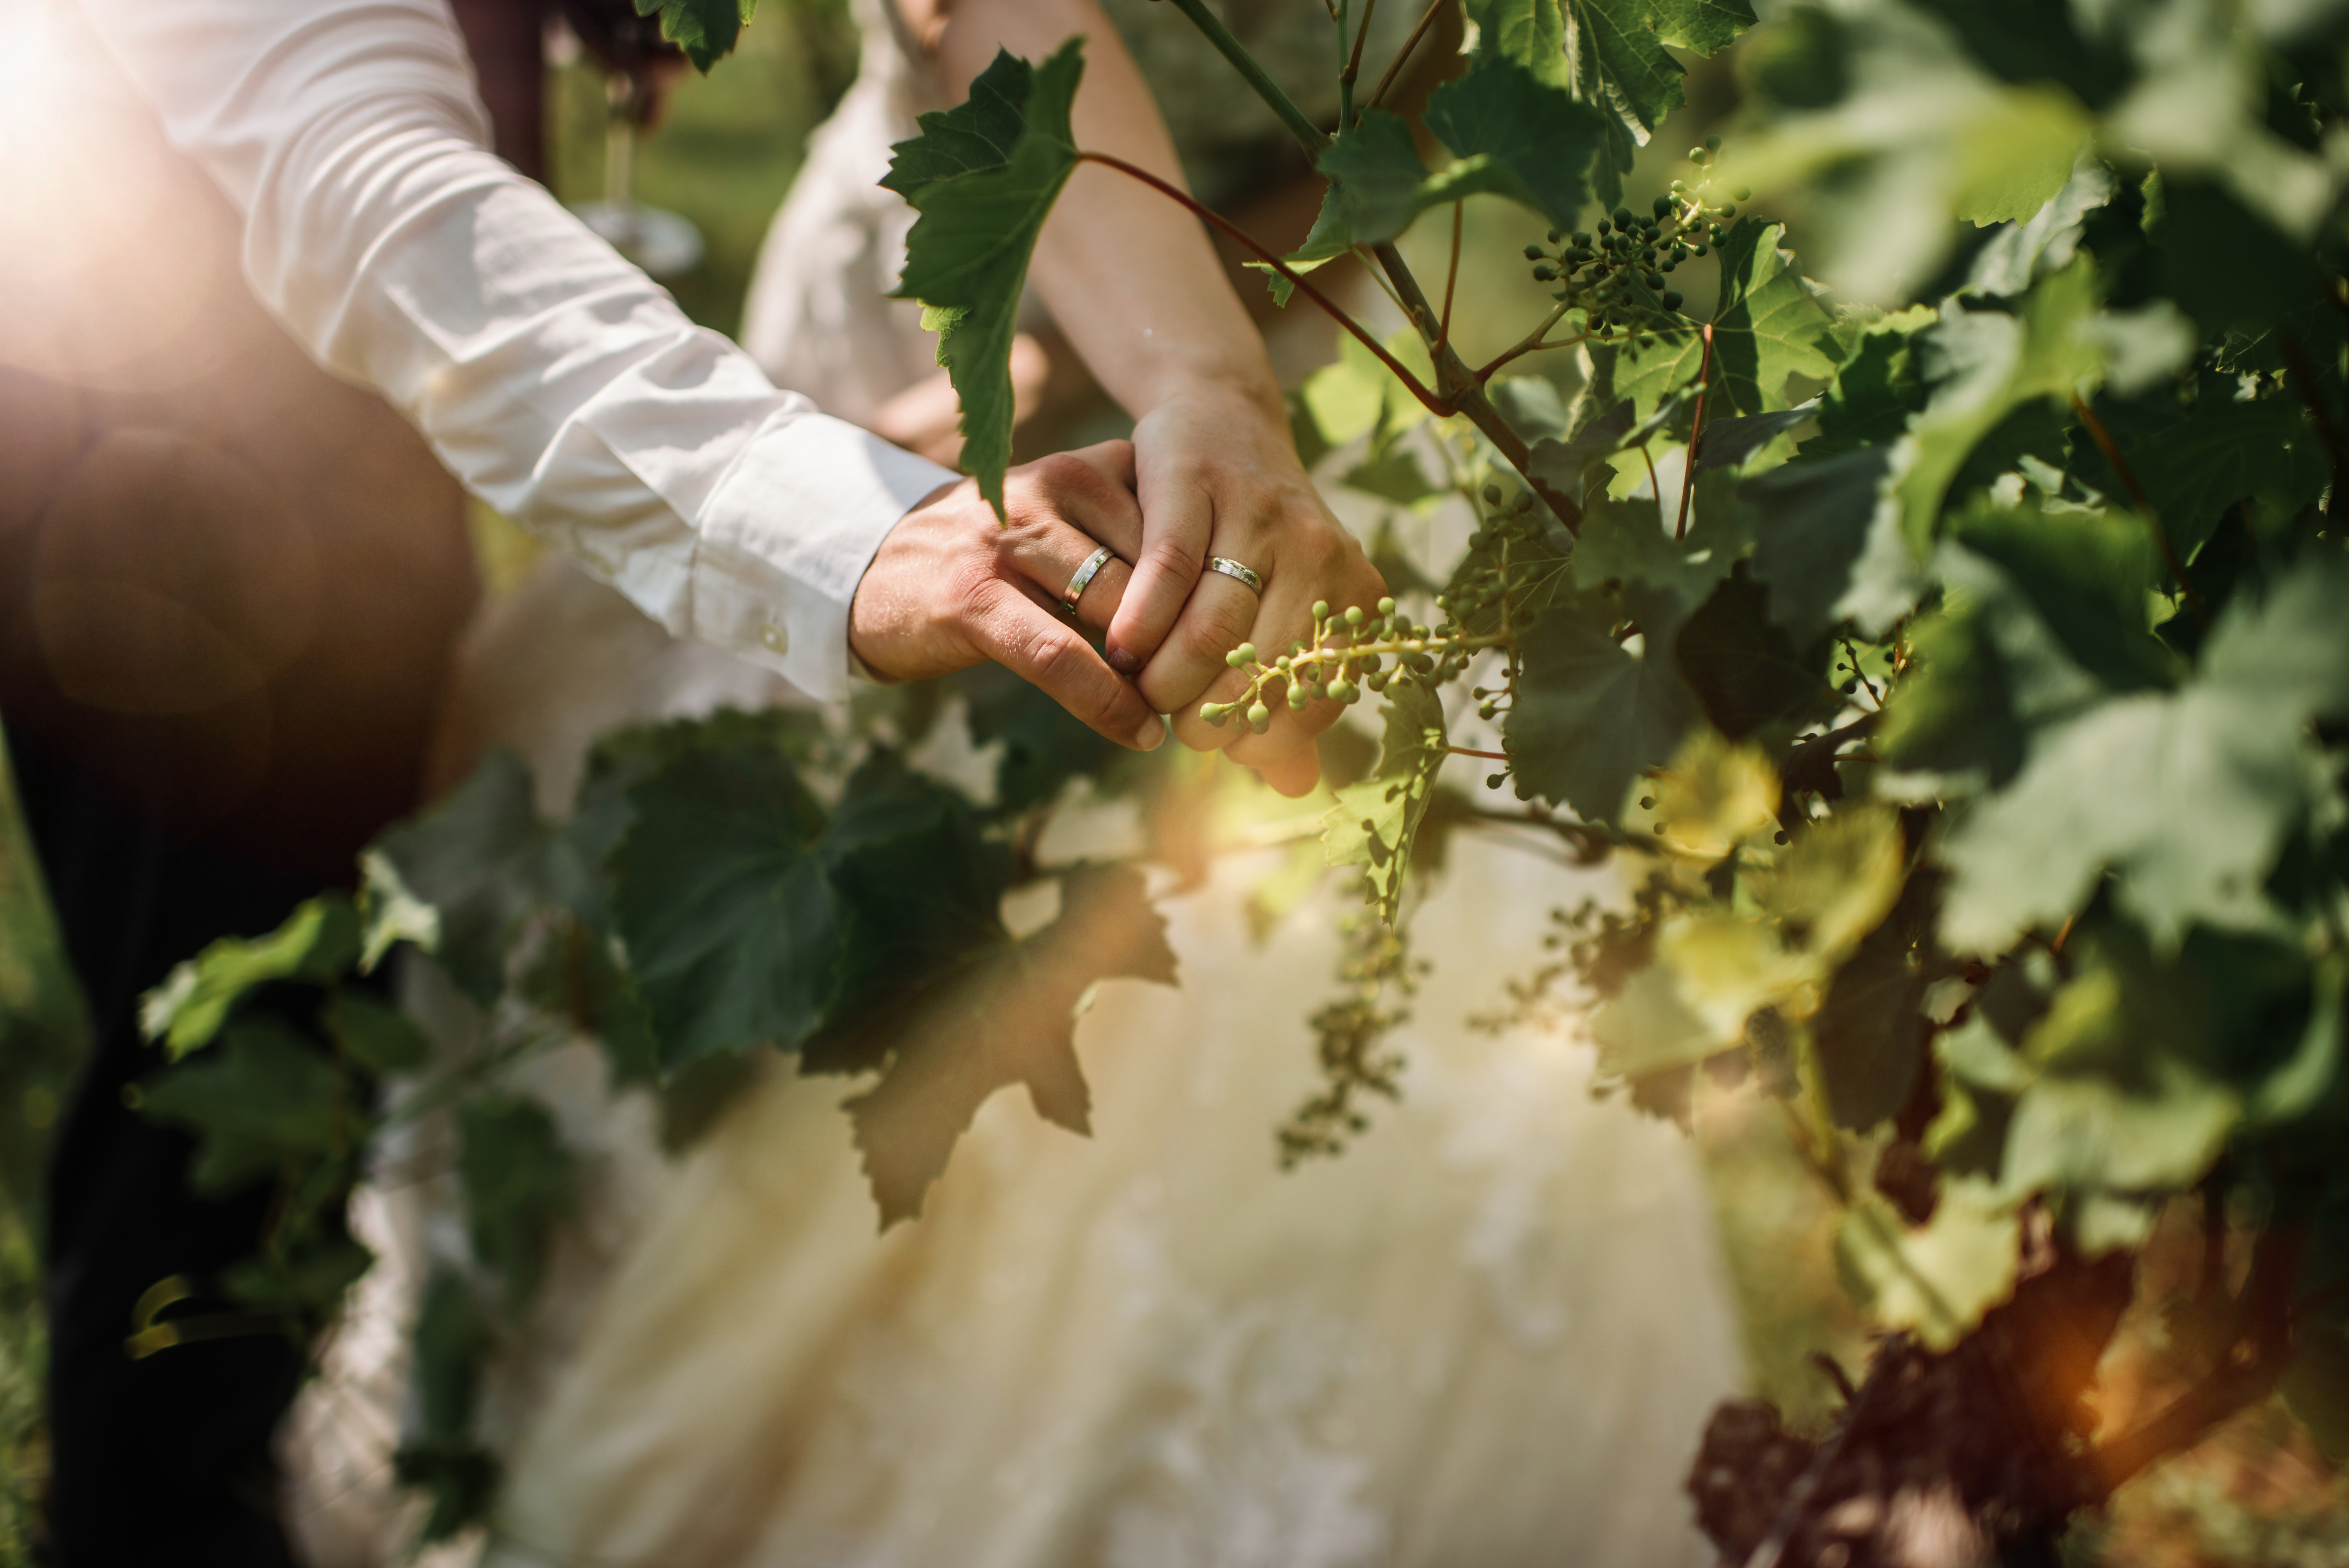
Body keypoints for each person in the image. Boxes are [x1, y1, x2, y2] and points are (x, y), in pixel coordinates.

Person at [280, 3, 1750, 1563]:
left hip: (1319, 318)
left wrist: (1226, 368)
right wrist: (1045, 384)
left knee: (1343, 997)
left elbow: (1449, 75)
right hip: (937, 314)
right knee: (814, 952)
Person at [4, 0, 1375, 1560]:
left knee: (376, 841)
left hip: (414, 356)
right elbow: (343, 148)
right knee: (212, 993)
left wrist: (1207, 378)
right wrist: (834, 523)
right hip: (97, 333)